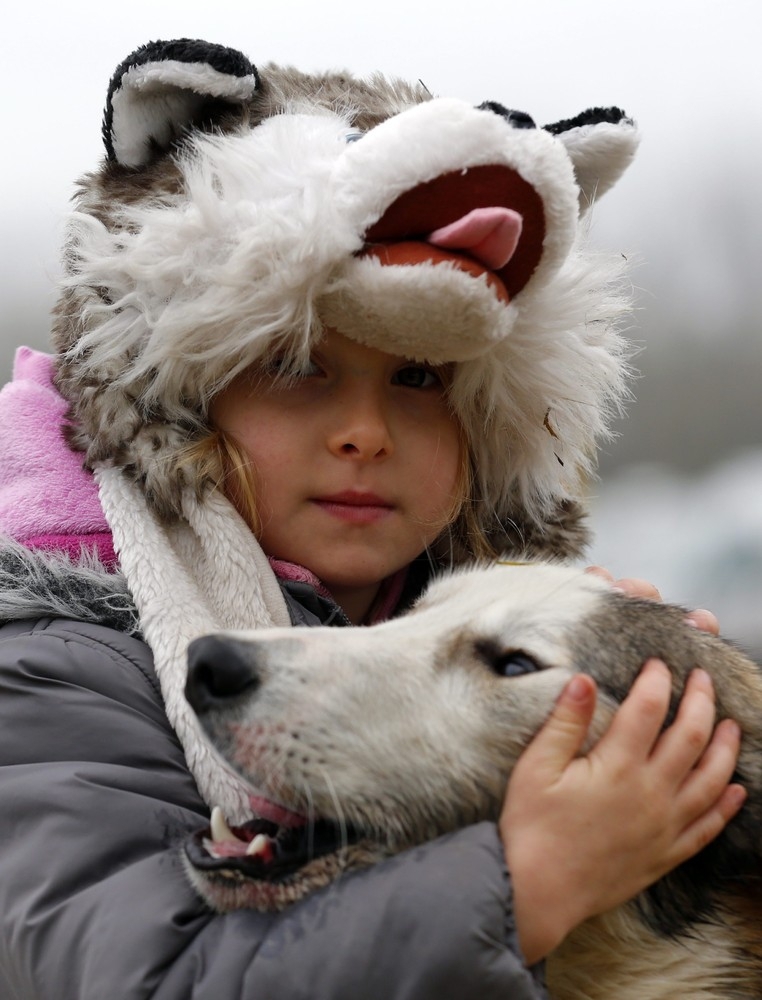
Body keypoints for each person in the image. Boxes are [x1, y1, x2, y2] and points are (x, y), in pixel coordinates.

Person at [0, 39, 745, 999]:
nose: (364, 432)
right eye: (298, 364)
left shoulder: (446, 601)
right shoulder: (58, 666)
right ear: (181, 397)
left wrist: (596, 701)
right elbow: (146, 979)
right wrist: (525, 881)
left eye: (421, 381)